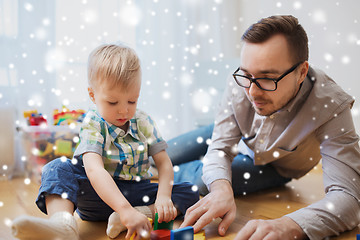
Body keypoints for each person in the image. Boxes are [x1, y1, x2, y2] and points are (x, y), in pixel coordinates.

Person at [170, 15, 360, 240]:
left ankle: (158, 176)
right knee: (162, 153)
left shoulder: (332, 106)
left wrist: (289, 226)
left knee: (201, 180)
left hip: (274, 166)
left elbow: (348, 197)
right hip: (236, 135)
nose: (252, 92)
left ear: (301, 72)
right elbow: (220, 147)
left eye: (267, 78)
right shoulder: (244, 80)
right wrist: (221, 189)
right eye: (247, 75)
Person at [11, 44, 199, 240]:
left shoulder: (143, 121)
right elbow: (94, 170)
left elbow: (163, 162)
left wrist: (163, 197)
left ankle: (137, 215)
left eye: (132, 101)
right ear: (93, 95)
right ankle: (64, 225)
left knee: (189, 192)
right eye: (113, 102)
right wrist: (124, 208)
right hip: (97, 195)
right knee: (56, 167)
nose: (124, 111)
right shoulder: (93, 123)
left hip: (136, 193)